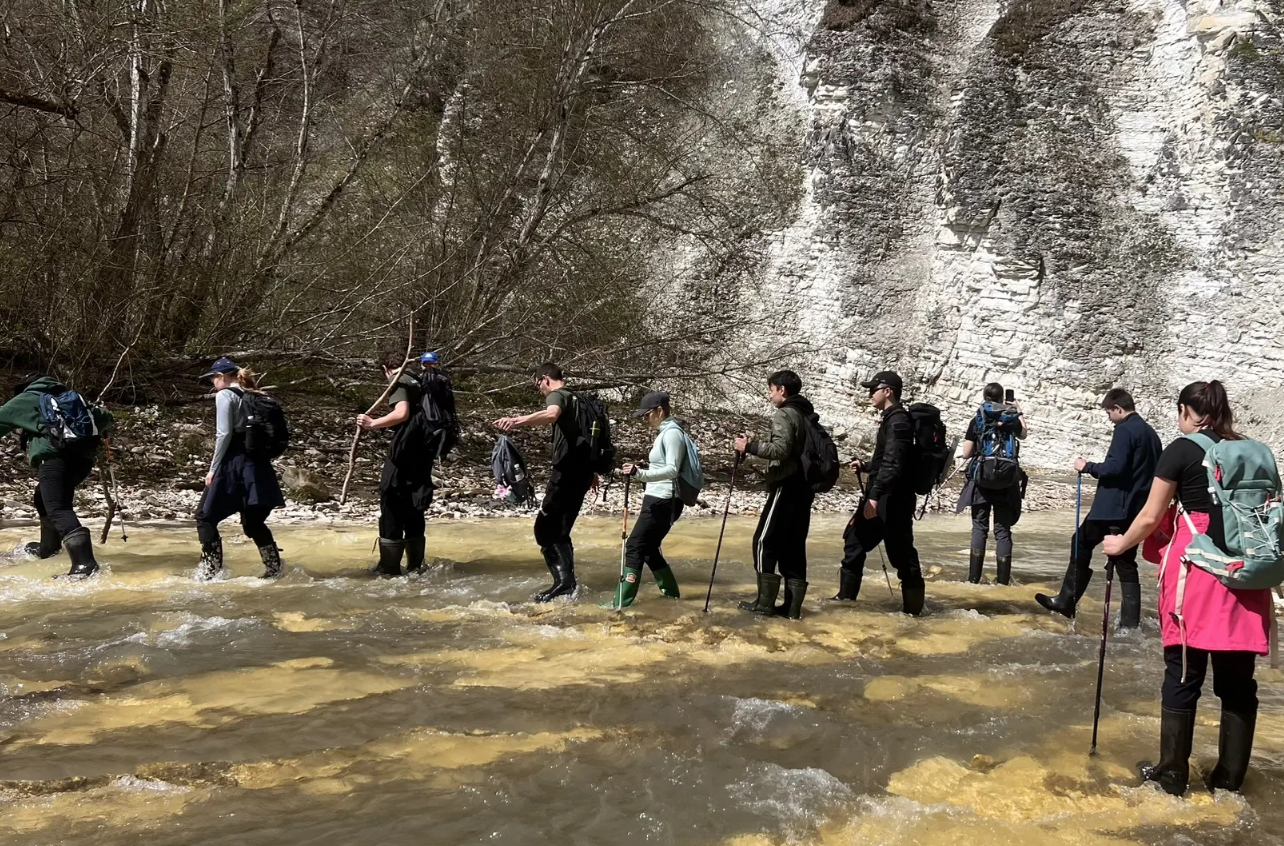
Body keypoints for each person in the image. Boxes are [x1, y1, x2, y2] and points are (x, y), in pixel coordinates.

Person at [1103, 381, 1270, 796]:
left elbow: (1148, 517)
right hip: (1246, 574)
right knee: (1237, 683)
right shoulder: (1251, 450)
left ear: (1184, 411)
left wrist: (1118, 544)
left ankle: (1172, 775)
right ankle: (1230, 782)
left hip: (1196, 574)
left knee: (1183, 671)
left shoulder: (1181, 450)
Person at [1037, 388, 1162, 626]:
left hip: (1112, 507)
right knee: (1125, 560)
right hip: (1137, 510)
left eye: (1109, 412)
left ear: (1118, 408)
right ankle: (1129, 623)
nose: (1108, 417)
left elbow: (1115, 468)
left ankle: (1066, 600)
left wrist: (1087, 466)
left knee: (1080, 541)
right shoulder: (1151, 434)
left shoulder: (1124, 430)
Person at [495, 363, 596, 602]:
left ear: (546, 379)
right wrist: (592, 472)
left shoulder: (558, 395)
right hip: (583, 473)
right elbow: (587, 436)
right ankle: (567, 583)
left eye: (538, 383)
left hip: (566, 472)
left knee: (544, 528)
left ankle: (564, 583)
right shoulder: (581, 400)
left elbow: (551, 415)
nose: (540, 389)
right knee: (561, 529)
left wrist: (517, 420)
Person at [0, 374, 111, 578]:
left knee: (58, 508)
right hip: (82, 462)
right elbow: (106, 417)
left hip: (54, 460)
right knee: (42, 498)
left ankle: (85, 565)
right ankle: (48, 548)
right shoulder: (73, 397)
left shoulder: (28, 398)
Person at [833, 371, 925, 616]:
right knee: (856, 542)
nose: (869, 393)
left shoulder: (898, 421)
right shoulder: (892, 419)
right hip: (889, 497)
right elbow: (887, 460)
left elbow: (894, 464)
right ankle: (845, 601)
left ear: (888, 391)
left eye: (874, 389)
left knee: (901, 555)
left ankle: (913, 613)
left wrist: (874, 496)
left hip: (891, 500)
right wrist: (866, 466)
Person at [734, 370, 816, 619]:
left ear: (782, 389)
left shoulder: (784, 413)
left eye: (771, 389)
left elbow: (781, 449)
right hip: (804, 488)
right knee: (793, 547)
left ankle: (764, 603)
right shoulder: (806, 414)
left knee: (763, 541)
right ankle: (792, 609)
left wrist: (748, 446)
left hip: (786, 486)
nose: (770, 395)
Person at [195, 358, 286, 580]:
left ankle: (210, 573)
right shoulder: (257, 396)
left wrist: (212, 469)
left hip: (233, 463)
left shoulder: (225, 395)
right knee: (253, 522)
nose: (212, 383)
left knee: (204, 517)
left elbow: (223, 434)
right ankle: (275, 570)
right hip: (257, 465)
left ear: (223, 377)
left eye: (213, 378)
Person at [357, 350, 433, 577]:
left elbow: (401, 413)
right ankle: (416, 567)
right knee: (414, 503)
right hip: (424, 451)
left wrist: (372, 423)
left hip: (405, 452)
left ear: (384, 369)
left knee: (390, 499)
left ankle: (389, 568)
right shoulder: (420, 380)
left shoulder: (397, 380)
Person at [613, 391, 685, 607]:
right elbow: (665, 466)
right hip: (660, 498)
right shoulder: (666, 432)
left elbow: (673, 469)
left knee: (635, 546)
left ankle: (620, 603)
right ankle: (672, 596)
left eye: (647, 414)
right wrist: (647, 467)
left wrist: (639, 474)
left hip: (663, 500)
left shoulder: (672, 434)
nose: (645, 419)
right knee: (650, 548)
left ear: (660, 411)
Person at [958, 383, 1027, 584]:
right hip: (1007, 482)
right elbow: (1024, 433)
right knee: (1002, 530)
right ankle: (1003, 582)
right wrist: (1018, 409)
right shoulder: (1011, 418)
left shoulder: (978, 418)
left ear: (984, 396)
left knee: (979, 527)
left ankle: (973, 580)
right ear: (1002, 398)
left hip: (982, 481)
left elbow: (967, 453)